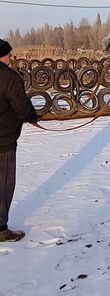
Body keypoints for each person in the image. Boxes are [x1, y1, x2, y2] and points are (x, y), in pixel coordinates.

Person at [0, 39, 38, 242]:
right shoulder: (10, 78)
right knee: (4, 183)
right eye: (8, 54)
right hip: (3, 139)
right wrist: (33, 117)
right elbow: (21, 106)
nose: (10, 57)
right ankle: (0, 229)